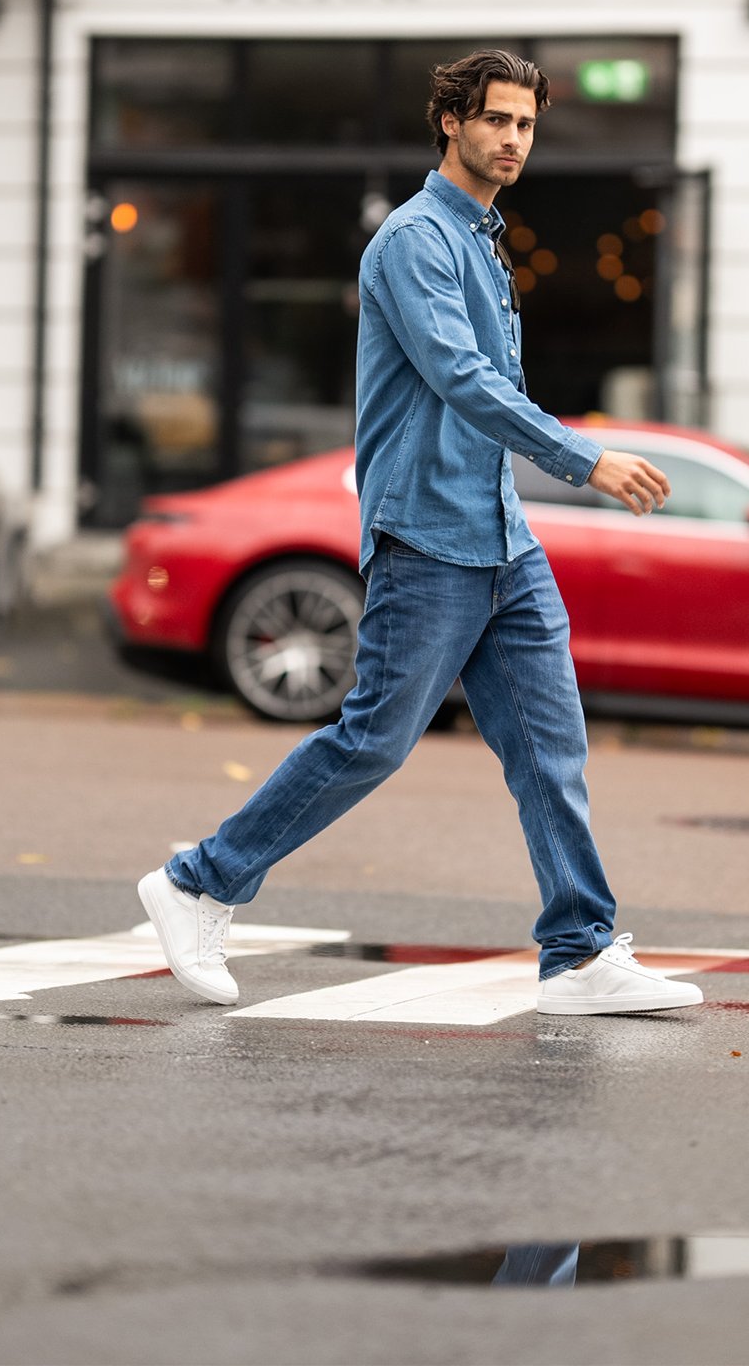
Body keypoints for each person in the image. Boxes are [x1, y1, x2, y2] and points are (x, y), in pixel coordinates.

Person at [137, 49, 704, 1019]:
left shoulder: (482, 240)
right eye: (496, 121)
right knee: (373, 740)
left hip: (502, 541)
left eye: (526, 125)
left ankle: (578, 952)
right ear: (451, 121)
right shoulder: (412, 240)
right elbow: (463, 379)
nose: (512, 140)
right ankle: (198, 880)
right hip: (429, 536)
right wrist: (585, 458)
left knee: (550, 747)